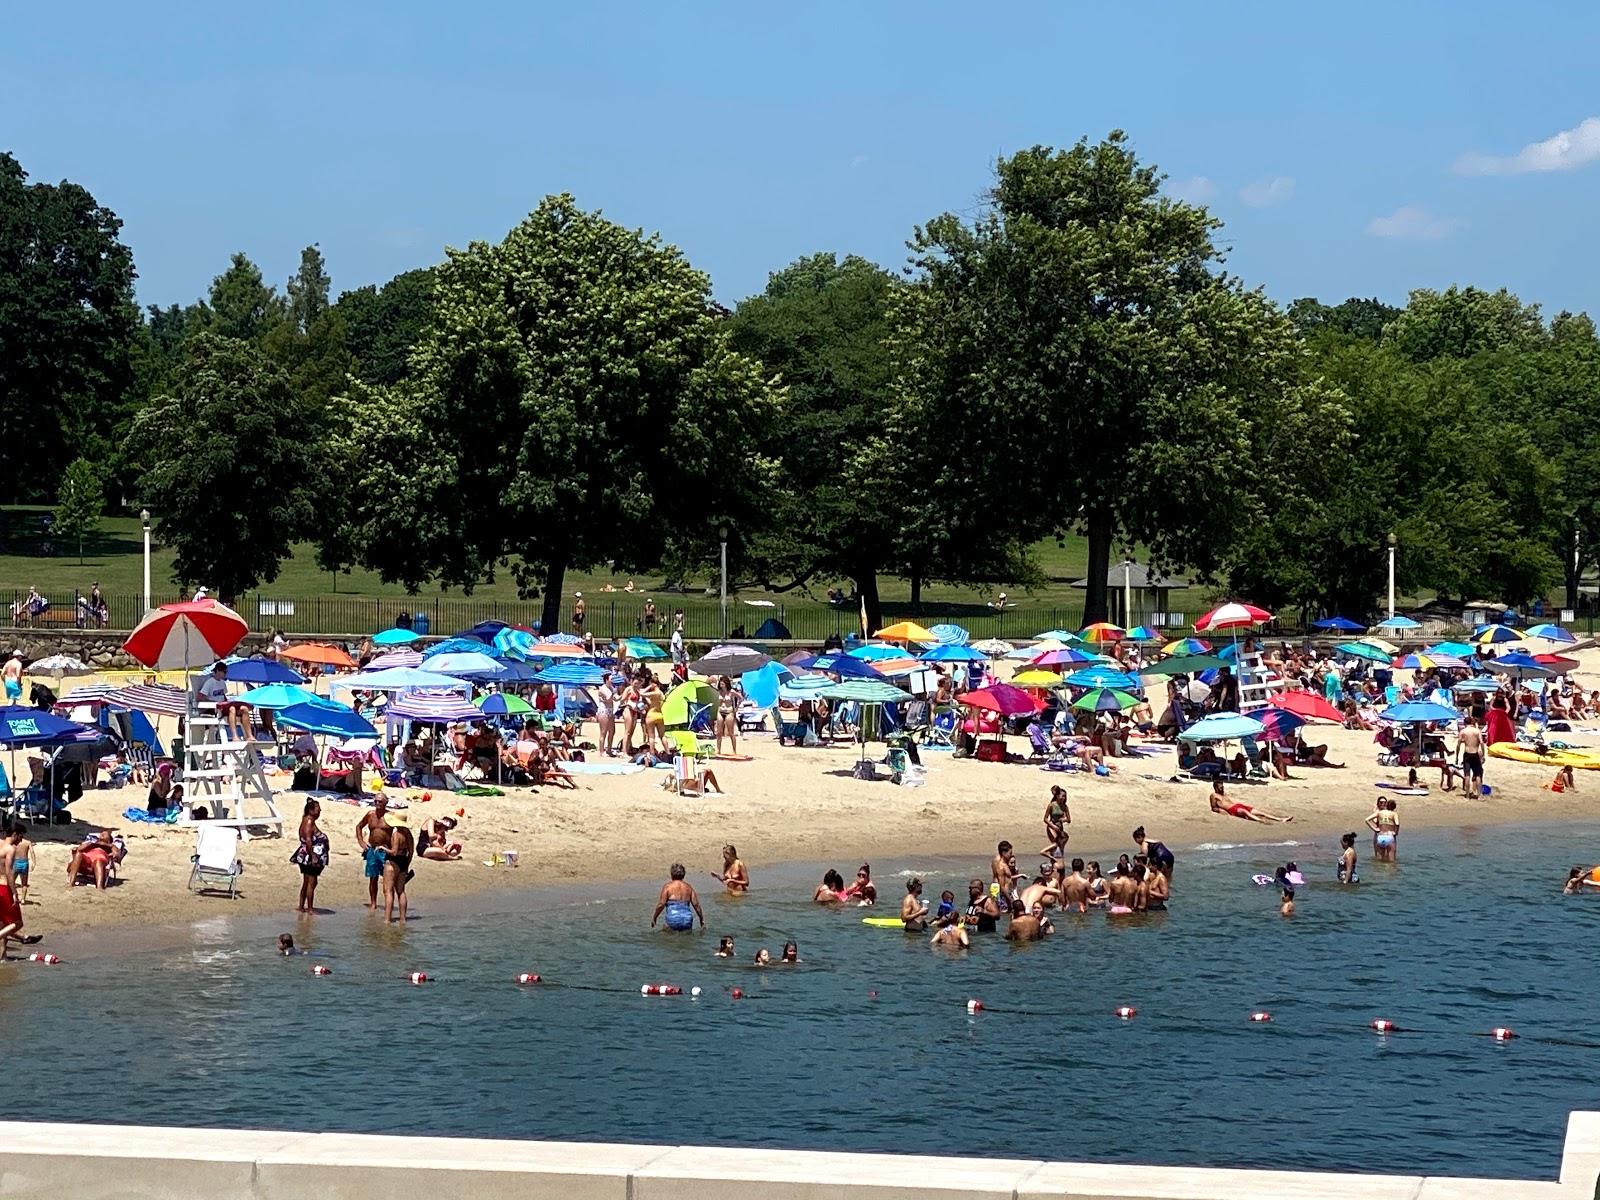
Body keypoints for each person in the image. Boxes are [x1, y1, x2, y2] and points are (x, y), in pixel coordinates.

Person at [291, 799, 330, 914]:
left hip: (307, 855)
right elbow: (308, 839)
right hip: (309, 857)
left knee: (307, 882)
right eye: (318, 809)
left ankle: (302, 906)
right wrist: (313, 856)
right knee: (311, 883)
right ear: (311, 810)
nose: (320, 811)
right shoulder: (309, 821)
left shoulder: (308, 820)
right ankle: (310, 909)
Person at [355, 795, 391, 912]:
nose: (377, 803)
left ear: (386, 803)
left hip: (385, 850)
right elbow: (359, 826)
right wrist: (361, 842)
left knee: (388, 878)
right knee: (372, 878)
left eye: (380, 801)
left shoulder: (390, 816)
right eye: (375, 801)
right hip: (372, 849)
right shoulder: (370, 814)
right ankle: (373, 903)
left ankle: (388, 903)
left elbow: (400, 831)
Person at [1208, 780, 1294, 824]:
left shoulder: (1223, 794)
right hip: (1232, 809)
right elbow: (1214, 807)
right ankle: (1260, 821)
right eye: (1220, 787)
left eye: (1222, 787)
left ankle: (1280, 819)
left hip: (1238, 806)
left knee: (1260, 812)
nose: (1222, 788)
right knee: (1246, 812)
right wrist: (1222, 811)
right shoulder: (1214, 795)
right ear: (1216, 788)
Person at [652, 863, 704, 931]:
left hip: (672, 919)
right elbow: (696, 905)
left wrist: (654, 917)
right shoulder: (688, 887)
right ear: (683, 875)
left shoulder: (667, 887)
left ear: (671, 874)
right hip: (687, 919)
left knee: (666, 937)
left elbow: (661, 904)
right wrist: (701, 919)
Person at [384, 821, 415, 923]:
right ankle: (403, 919)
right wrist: (407, 864)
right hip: (404, 862)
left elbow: (394, 852)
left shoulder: (397, 835)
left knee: (388, 891)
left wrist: (383, 848)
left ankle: (387, 919)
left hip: (393, 862)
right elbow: (410, 852)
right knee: (401, 891)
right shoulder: (408, 835)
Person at [1366, 797, 1399, 863]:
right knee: (1391, 862)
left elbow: (1367, 819)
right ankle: (1390, 872)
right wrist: (1396, 832)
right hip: (1389, 836)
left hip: (1380, 836)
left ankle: (1378, 872)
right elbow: (1397, 824)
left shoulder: (1379, 813)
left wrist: (1374, 829)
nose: (1383, 804)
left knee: (1378, 861)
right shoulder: (1394, 814)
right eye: (1381, 802)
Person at [714, 676, 740, 757]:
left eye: (722, 684)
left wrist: (737, 708)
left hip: (729, 712)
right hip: (720, 711)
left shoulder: (731, 692)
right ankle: (718, 749)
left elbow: (740, 698)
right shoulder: (720, 691)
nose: (721, 685)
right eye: (720, 684)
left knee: (731, 733)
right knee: (719, 732)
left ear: (726, 684)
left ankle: (734, 750)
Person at [1459, 718, 1486, 794]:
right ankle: (1479, 795)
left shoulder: (1463, 731)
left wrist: (1457, 756)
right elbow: (1481, 742)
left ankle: (1467, 795)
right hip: (1475, 753)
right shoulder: (1477, 731)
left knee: (1467, 775)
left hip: (1467, 753)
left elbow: (1458, 744)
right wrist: (1483, 755)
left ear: (1465, 723)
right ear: (1472, 723)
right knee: (1477, 774)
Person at [1041, 786, 1070, 857]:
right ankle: (1049, 854)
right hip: (1052, 826)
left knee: (1063, 840)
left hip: (1060, 826)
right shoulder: (1052, 805)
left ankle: (1057, 857)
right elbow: (1045, 819)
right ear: (1057, 796)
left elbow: (1069, 819)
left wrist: (1063, 820)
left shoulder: (1064, 807)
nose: (1063, 798)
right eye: (1062, 796)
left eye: (1064, 796)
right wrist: (1052, 826)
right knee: (1055, 842)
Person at [7, 824, 31, 907]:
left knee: (12, 880)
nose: (20, 840)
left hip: (17, 862)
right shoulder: (27, 843)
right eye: (20, 837)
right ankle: (23, 899)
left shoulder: (9, 847)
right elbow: (32, 853)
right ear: (15, 835)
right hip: (24, 862)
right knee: (24, 883)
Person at [596, 676, 617, 757]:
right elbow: (608, 699)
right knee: (603, 732)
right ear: (606, 680)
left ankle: (609, 749)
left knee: (612, 731)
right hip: (604, 710)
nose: (612, 681)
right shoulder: (603, 688)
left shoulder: (611, 688)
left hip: (610, 710)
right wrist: (613, 693)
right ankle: (601, 751)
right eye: (611, 679)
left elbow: (615, 699)